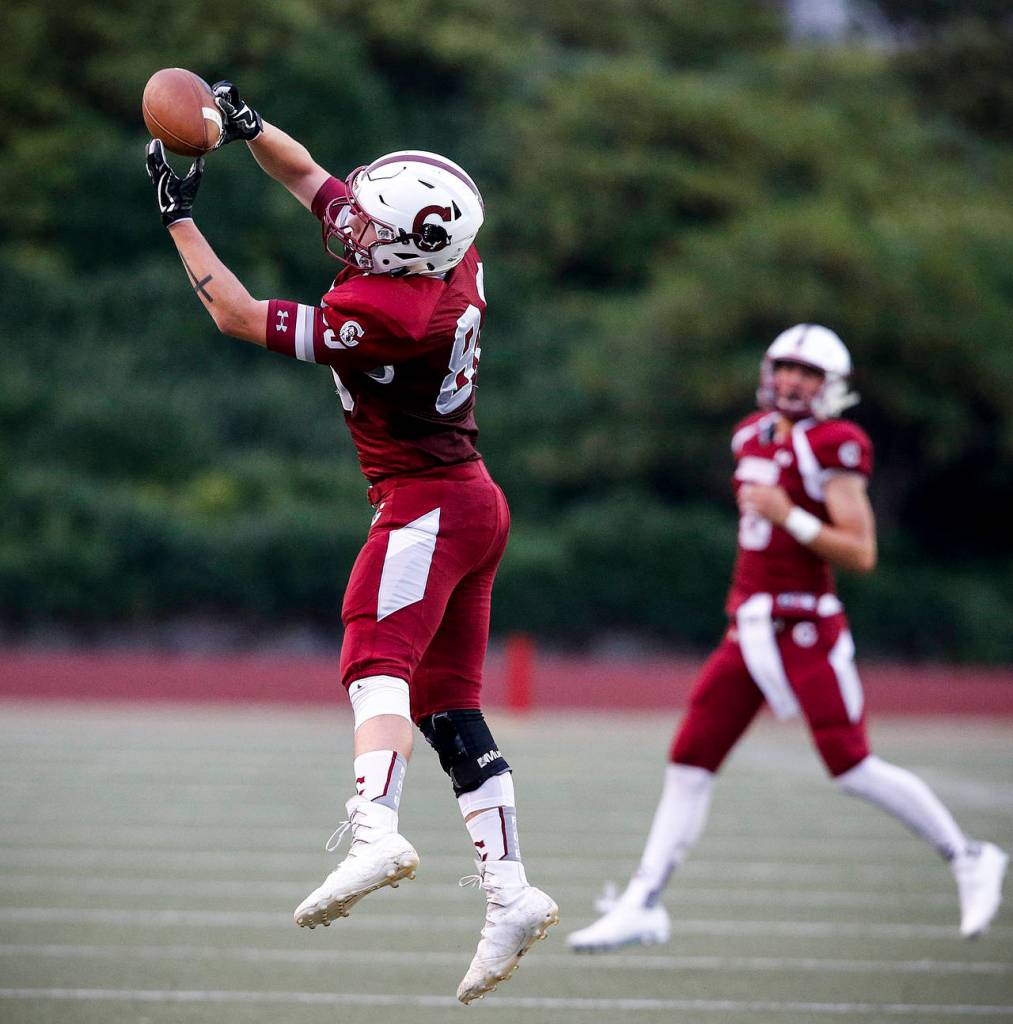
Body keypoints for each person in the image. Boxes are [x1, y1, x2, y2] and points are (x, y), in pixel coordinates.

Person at [144, 81, 558, 1003]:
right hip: (469, 500)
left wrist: (176, 218)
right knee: (448, 707)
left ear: (409, 245)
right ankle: (510, 892)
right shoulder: (440, 258)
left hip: (425, 502)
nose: (350, 225)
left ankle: (374, 828)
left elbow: (237, 315)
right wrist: (249, 125)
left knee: (374, 658)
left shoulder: (392, 314)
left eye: (371, 225)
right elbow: (310, 179)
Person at [567, 324, 1008, 951]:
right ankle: (644, 901)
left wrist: (790, 514)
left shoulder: (838, 443)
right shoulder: (749, 433)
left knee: (850, 766)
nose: (794, 381)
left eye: (809, 373)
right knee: (690, 761)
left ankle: (968, 854)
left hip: (805, 625)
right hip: (748, 624)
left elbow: (860, 551)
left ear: (832, 386)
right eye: (786, 368)